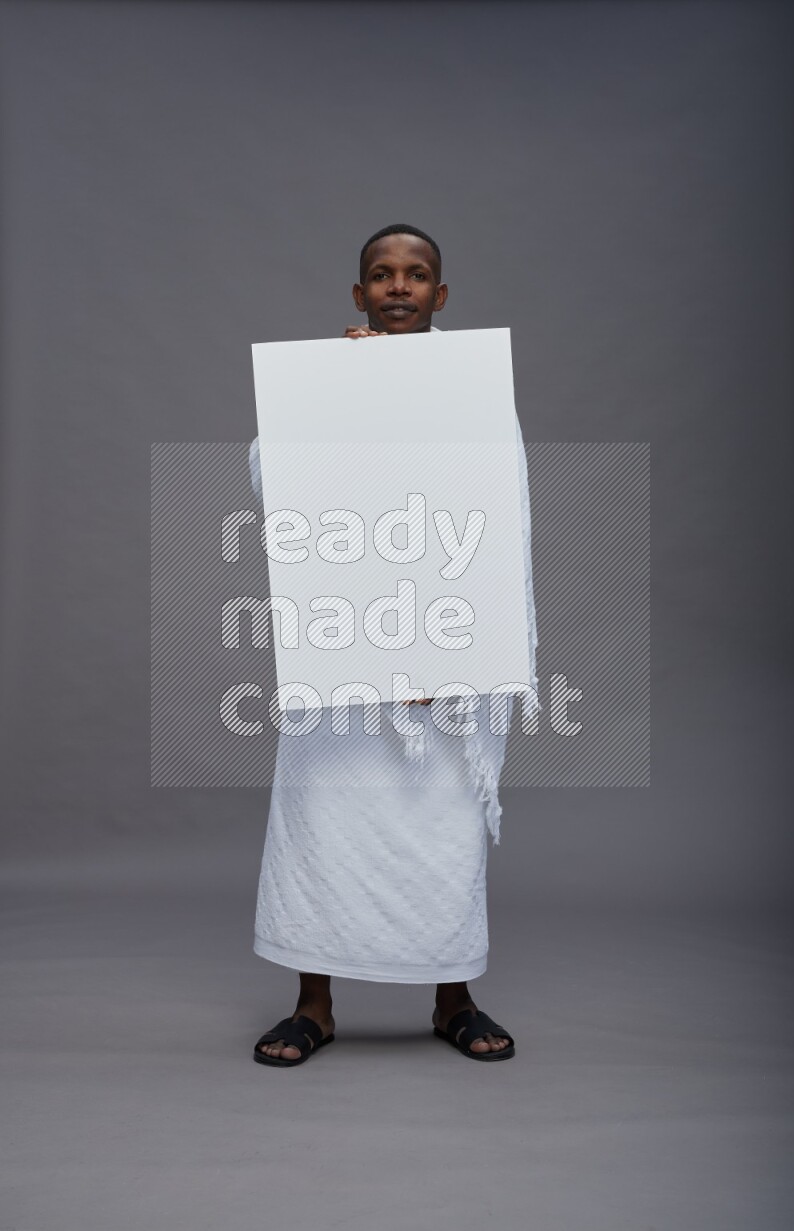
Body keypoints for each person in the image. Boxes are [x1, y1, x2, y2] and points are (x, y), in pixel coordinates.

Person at [248, 224, 539, 1066]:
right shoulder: (326, 377)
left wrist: (445, 655)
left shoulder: (474, 389)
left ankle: (454, 997)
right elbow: (280, 487)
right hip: (346, 647)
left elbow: (498, 521)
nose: (399, 287)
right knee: (324, 816)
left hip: (442, 648)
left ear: (441, 296)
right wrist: (335, 393)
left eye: (417, 275)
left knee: (440, 822)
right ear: (359, 294)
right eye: (382, 274)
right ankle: (313, 1004)